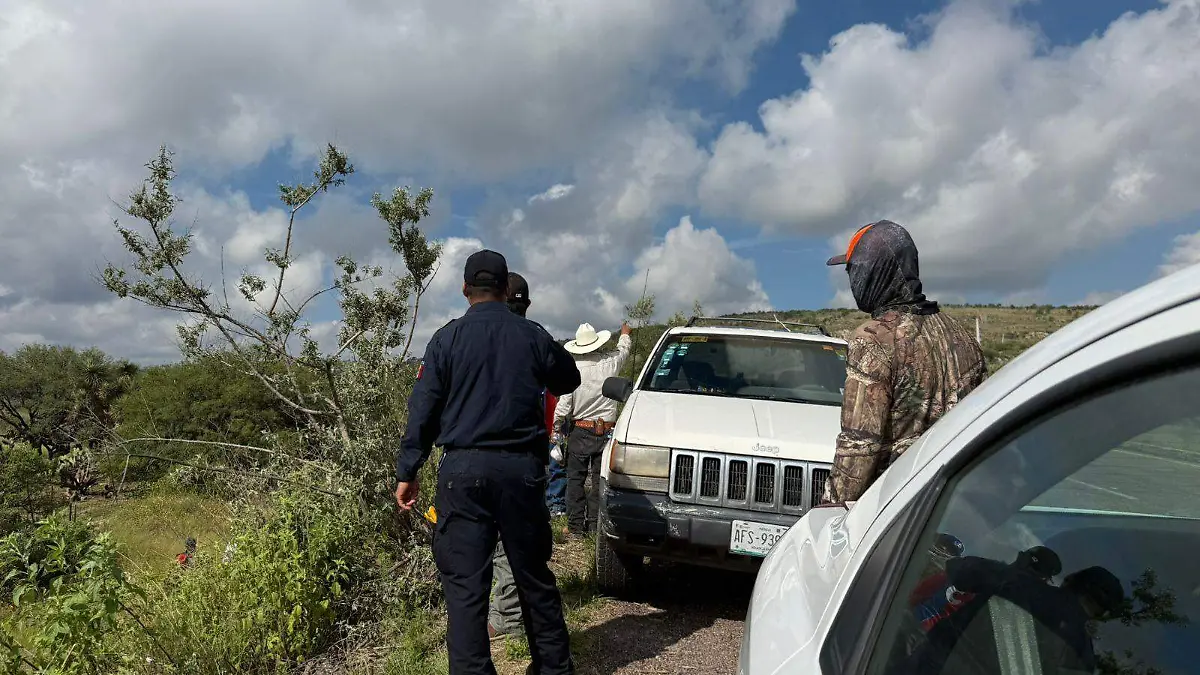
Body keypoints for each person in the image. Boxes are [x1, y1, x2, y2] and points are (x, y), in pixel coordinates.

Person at [395, 249, 581, 675]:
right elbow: (568, 378)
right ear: (504, 289)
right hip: (521, 472)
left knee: (465, 590)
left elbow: (422, 409)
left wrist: (408, 471)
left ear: (465, 290)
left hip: (462, 473)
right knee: (533, 578)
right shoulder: (531, 335)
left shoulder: (446, 340)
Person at [822, 220, 987, 504]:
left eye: (852, 270)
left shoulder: (873, 340)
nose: (850, 282)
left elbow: (859, 447)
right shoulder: (964, 339)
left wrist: (827, 513)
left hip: (893, 508)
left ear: (870, 271)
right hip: (955, 504)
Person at [487, 272, 563, 640]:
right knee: (524, 540)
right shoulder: (537, 342)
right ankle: (516, 614)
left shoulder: (486, 341)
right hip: (532, 458)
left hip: (491, 459)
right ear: (526, 304)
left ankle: (509, 619)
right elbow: (558, 392)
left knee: (496, 544)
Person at [554, 321, 632, 536]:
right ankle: (596, 525)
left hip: (580, 430)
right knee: (599, 481)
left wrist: (557, 427)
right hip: (606, 430)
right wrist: (625, 334)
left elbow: (564, 405)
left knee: (575, 480)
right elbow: (624, 350)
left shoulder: (573, 368)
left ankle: (576, 527)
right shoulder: (610, 362)